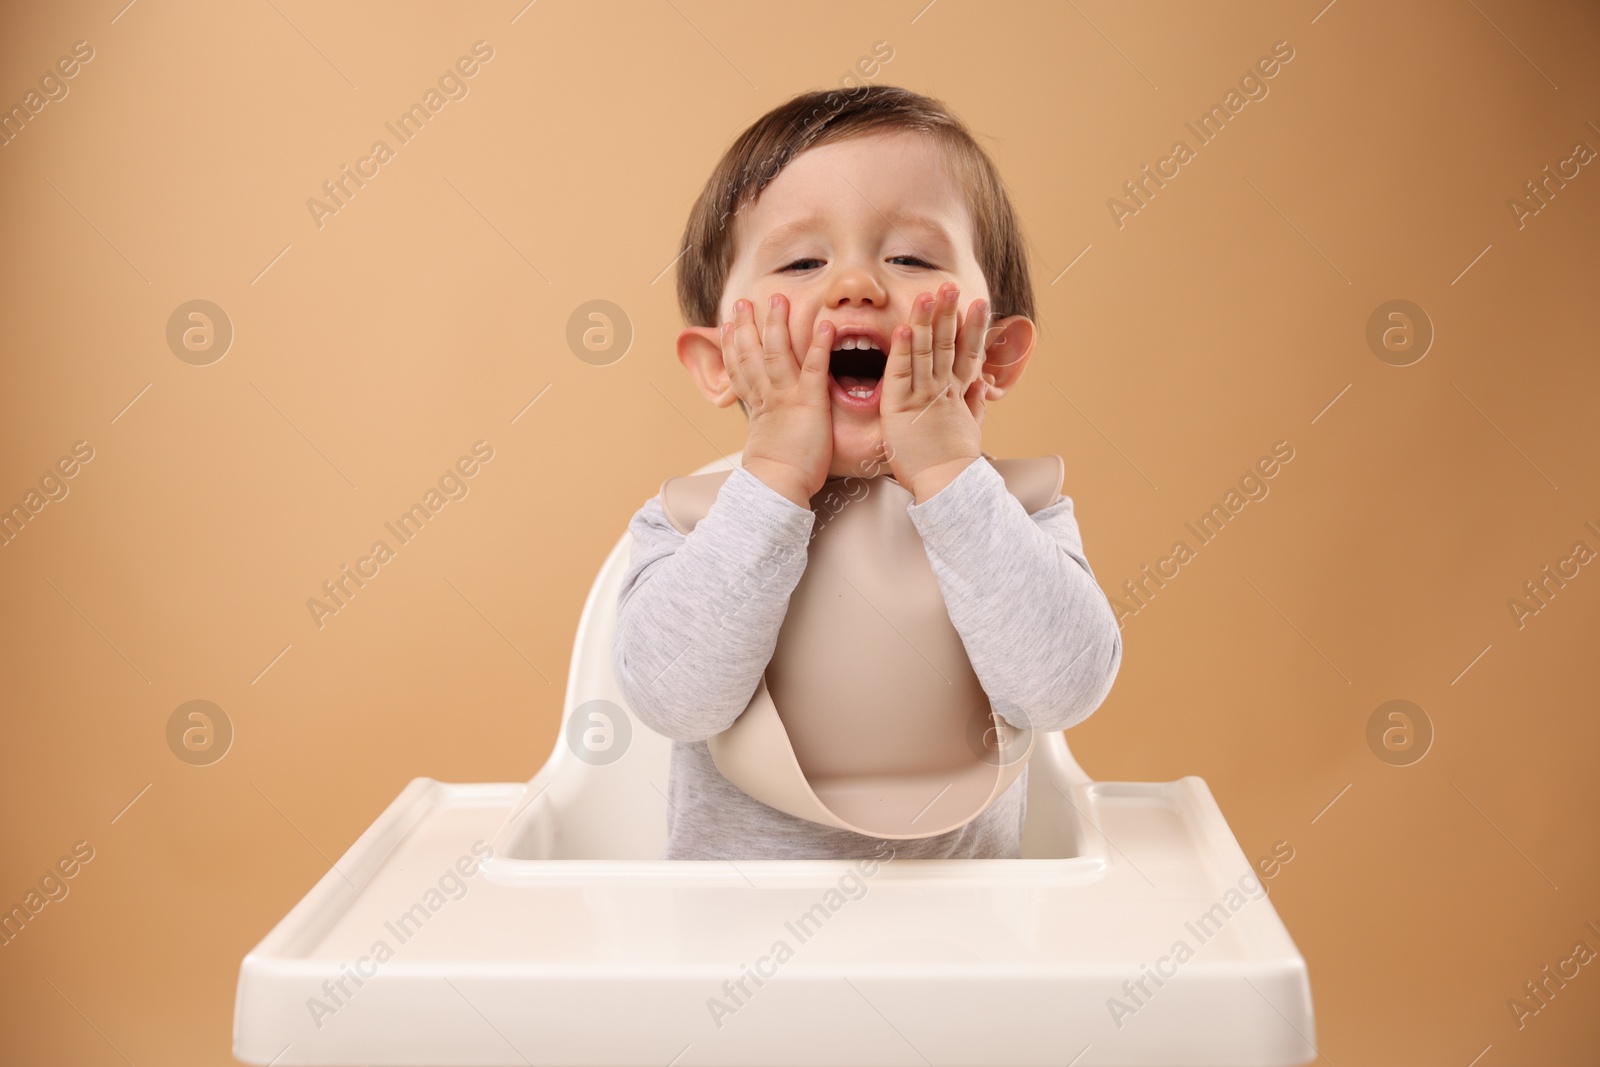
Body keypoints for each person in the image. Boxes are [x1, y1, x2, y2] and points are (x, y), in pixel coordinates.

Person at [612, 85, 1122, 860]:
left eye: (912, 257)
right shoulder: (691, 525)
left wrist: (949, 471)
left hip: (964, 955)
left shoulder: (1017, 517)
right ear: (721, 363)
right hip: (732, 954)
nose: (857, 284)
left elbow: (1063, 688)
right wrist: (776, 472)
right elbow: (673, 699)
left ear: (995, 352)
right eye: (801, 260)